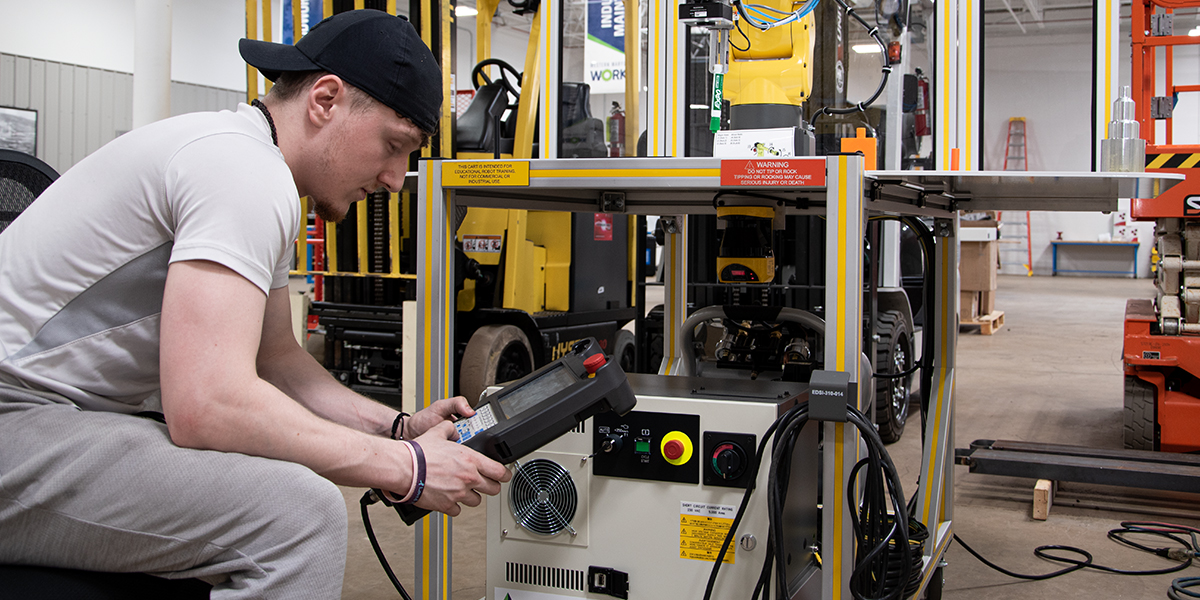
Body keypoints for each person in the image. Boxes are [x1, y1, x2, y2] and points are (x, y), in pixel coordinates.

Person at [0, 9, 509, 599]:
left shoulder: (244, 160)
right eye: (394, 146)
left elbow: (276, 361)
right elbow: (209, 406)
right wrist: (407, 470)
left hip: (52, 421)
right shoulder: (243, 173)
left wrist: (396, 429)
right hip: (17, 423)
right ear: (324, 100)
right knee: (299, 517)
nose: (397, 179)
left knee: (281, 478)